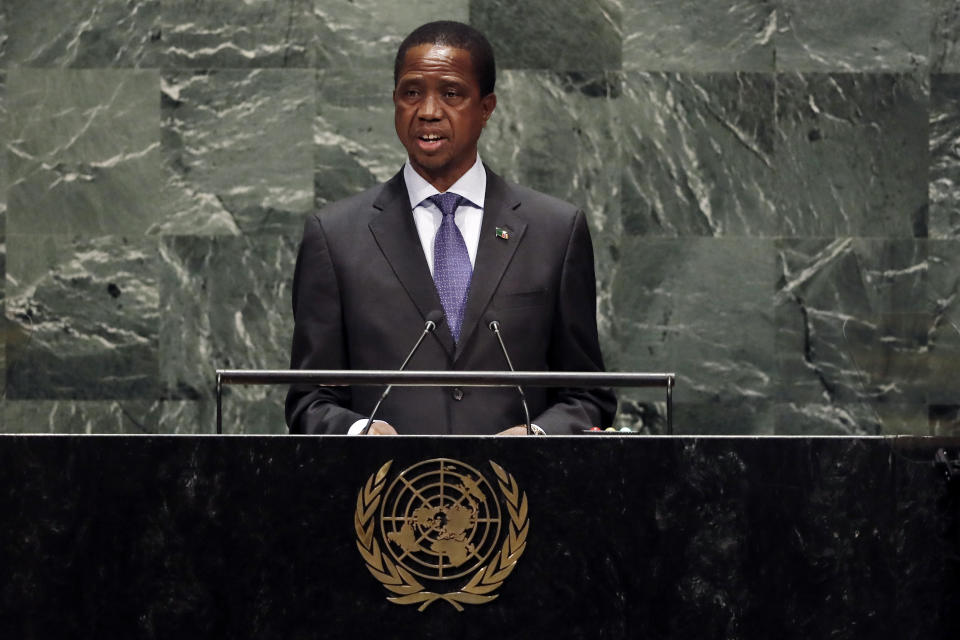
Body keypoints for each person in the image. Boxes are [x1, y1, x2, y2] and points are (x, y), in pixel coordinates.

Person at [285, 20, 616, 435]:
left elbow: (587, 395)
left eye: (451, 93)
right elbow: (309, 399)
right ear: (395, 102)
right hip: (388, 492)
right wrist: (359, 433)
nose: (427, 111)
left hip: (518, 492)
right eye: (411, 93)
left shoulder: (555, 231)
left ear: (486, 108)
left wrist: (538, 438)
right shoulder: (334, 236)